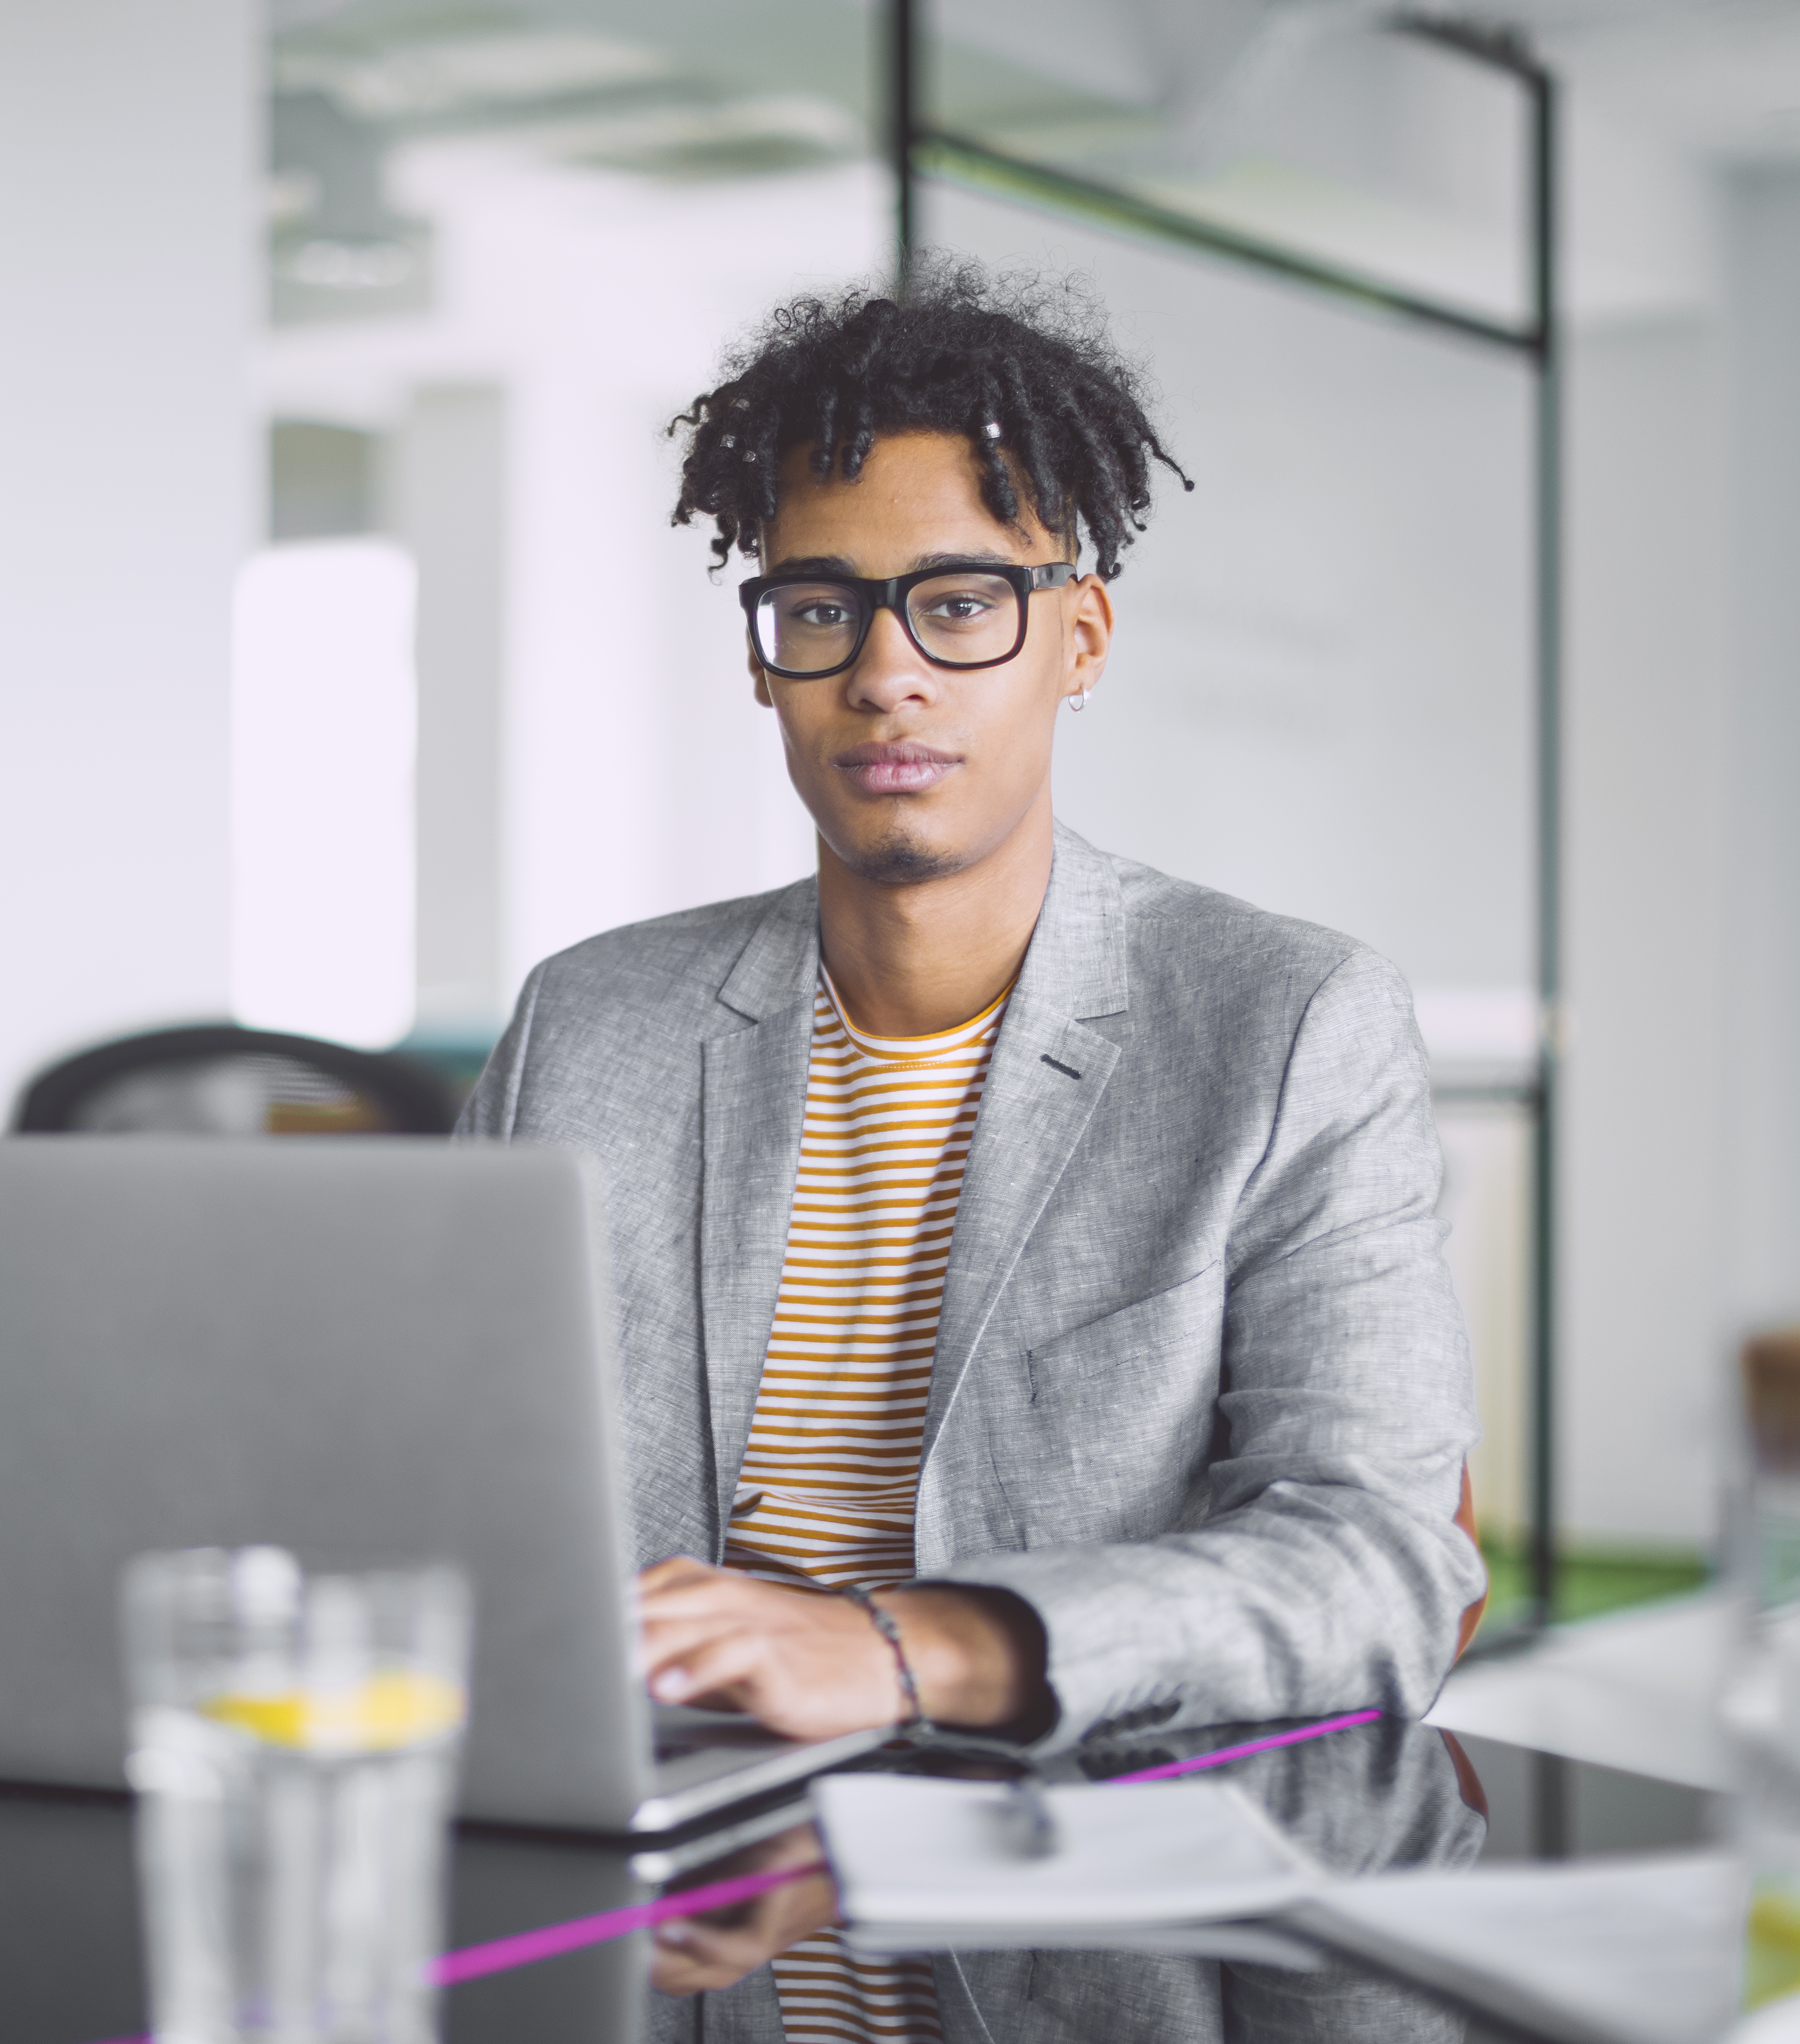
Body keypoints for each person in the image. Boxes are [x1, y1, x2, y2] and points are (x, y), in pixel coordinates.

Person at [455, 265, 1484, 2037]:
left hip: (1084, 1899)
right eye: (822, 609)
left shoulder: (1286, 1022)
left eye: (959, 605)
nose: (884, 676)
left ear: (1080, 639)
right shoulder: (588, 1024)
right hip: (668, 1919)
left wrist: (902, 1647)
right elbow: (429, 1482)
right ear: (763, 653)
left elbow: (1381, 1569)